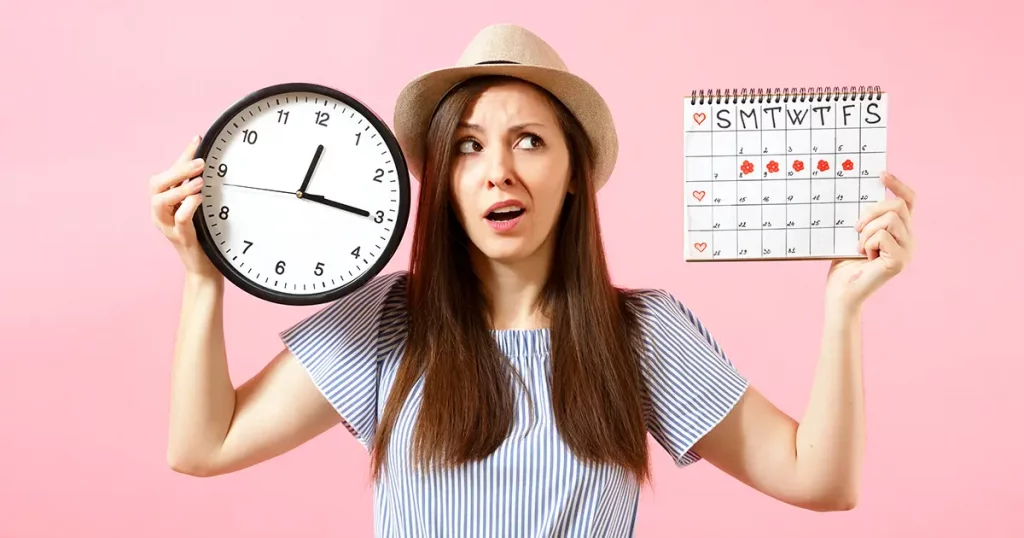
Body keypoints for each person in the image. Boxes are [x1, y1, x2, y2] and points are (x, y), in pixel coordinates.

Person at [149, 23, 916, 537]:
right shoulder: (388, 321)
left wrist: (844, 310)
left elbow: (819, 480)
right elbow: (203, 444)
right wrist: (203, 277)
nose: (499, 173)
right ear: (443, 178)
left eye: (528, 141)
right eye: (470, 147)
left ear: (575, 172)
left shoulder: (641, 335)